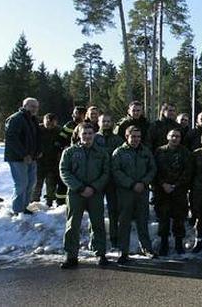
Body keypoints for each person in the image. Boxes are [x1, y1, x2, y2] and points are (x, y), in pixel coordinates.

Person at [59, 122, 110, 269]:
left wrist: (94, 187)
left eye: (90, 133)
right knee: (72, 224)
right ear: (79, 135)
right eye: (84, 134)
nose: (87, 136)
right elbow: (64, 171)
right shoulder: (69, 152)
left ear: (94, 135)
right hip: (76, 193)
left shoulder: (101, 153)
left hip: (95, 193)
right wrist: (80, 187)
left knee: (97, 223)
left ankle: (100, 253)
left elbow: (106, 173)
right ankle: (71, 255)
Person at [111, 126, 157, 264]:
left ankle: (147, 248)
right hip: (126, 191)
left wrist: (144, 182)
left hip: (142, 191)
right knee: (124, 222)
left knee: (143, 220)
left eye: (138, 137)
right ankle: (123, 251)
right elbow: (116, 171)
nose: (136, 139)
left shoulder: (145, 151)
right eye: (133, 136)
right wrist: (131, 184)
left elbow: (152, 168)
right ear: (127, 136)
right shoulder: (119, 152)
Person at [153, 129, 193, 256]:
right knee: (163, 219)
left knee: (179, 218)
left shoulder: (185, 152)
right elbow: (155, 170)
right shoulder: (159, 151)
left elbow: (188, 171)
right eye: (172, 136)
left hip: (179, 191)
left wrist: (176, 185)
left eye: (177, 136)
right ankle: (164, 244)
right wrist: (163, 184)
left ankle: (178, 244)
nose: (175, 138)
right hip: (162, 191)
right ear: (167, 137)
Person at [4, 97, 41, 215]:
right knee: (21, 183)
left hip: (32, 157)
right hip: (18, 158)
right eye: (32, 106)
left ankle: (24, 207)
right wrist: (23, 154)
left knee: (31, 182)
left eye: (36, 107)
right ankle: (17, 210)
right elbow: (11, 138)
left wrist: (38, 151)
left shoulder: (33, 119)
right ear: (24, 106)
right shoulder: (16, 119)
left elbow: (36, 137)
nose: (35, 109)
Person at [94, 113, 124, 248]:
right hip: (96, 179)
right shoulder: (93, 138)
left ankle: (114, 237)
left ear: (112, 123)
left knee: (113, 210)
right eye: (103, 121)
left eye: (108, 121)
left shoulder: (118, 139)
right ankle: (95, 239)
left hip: (112, 180)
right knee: (96, 210)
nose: (106, 123)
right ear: (99, 123)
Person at [33, 113, 65, 206]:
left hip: (53, 162)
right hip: (39, 161)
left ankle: (49, 203)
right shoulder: (38, 129)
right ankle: (34, 203)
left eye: (52, 123)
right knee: (37, 184)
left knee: (51, 185)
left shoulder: (59, 130)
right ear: (43, 121)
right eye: (48, 123)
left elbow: (63, 142)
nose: (50, 125)